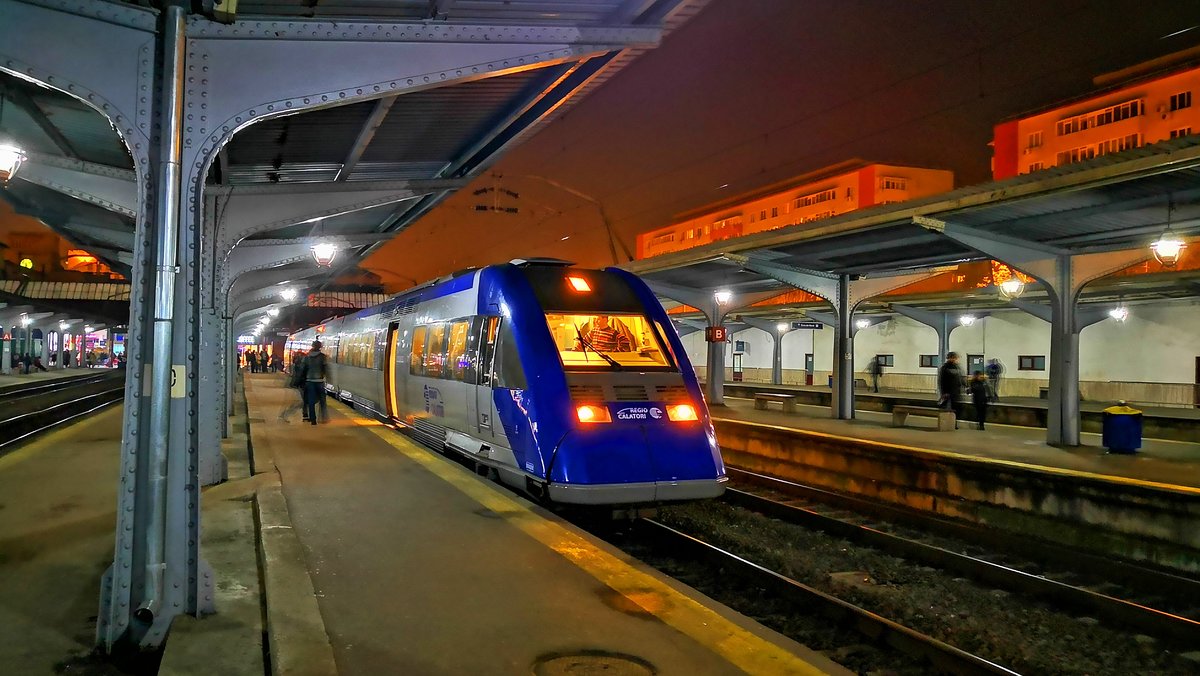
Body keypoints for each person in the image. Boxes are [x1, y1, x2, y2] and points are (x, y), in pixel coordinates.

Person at [302, 340, 329, 425]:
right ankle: (324, 418)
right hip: (319, 381)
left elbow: (303, 369)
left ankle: (313, 419)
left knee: (311, 401)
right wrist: (325, 376)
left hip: (309, 381)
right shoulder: (322, 357)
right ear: (320, 347)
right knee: (322, 400)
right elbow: (325, 368)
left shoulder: (307, 356)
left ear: (312, 346)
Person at [937, 351, 966, 430]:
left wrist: (965, 385)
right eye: (953, 358)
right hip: (948, 392)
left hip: (956, 391)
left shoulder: (957, 367)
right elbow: (942, 381)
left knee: (957, 408)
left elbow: (961, 378)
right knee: (946, 408)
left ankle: (954, 423)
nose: (955, 359)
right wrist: (944, 392)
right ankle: (945, 423)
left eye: (955, 358)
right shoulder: (945, 368)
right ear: (949, 358)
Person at [278, 355, 308, 423]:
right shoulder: (299, 367)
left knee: (300, 402)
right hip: (298, 385)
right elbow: (298, 376)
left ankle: (284, 415)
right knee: (299, 402)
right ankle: (284, 415)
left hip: (296, 385)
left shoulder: (295, 366)